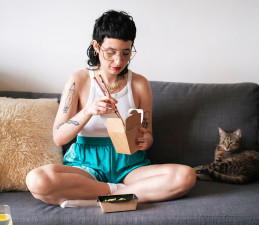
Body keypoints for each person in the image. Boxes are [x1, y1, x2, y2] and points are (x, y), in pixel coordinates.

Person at [26, 10, 196, 207]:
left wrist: (143, 140)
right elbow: (58, 137)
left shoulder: (140, 84)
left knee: (186, 176)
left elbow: (148, 135)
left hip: (130, 165)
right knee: (37, 180)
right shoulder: (78, 80)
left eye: (126, 53)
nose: (119, 61)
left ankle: (96, 198)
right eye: (111, 52)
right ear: (96, 46)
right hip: (86, 164)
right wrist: (89, 110)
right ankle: (118, 194)